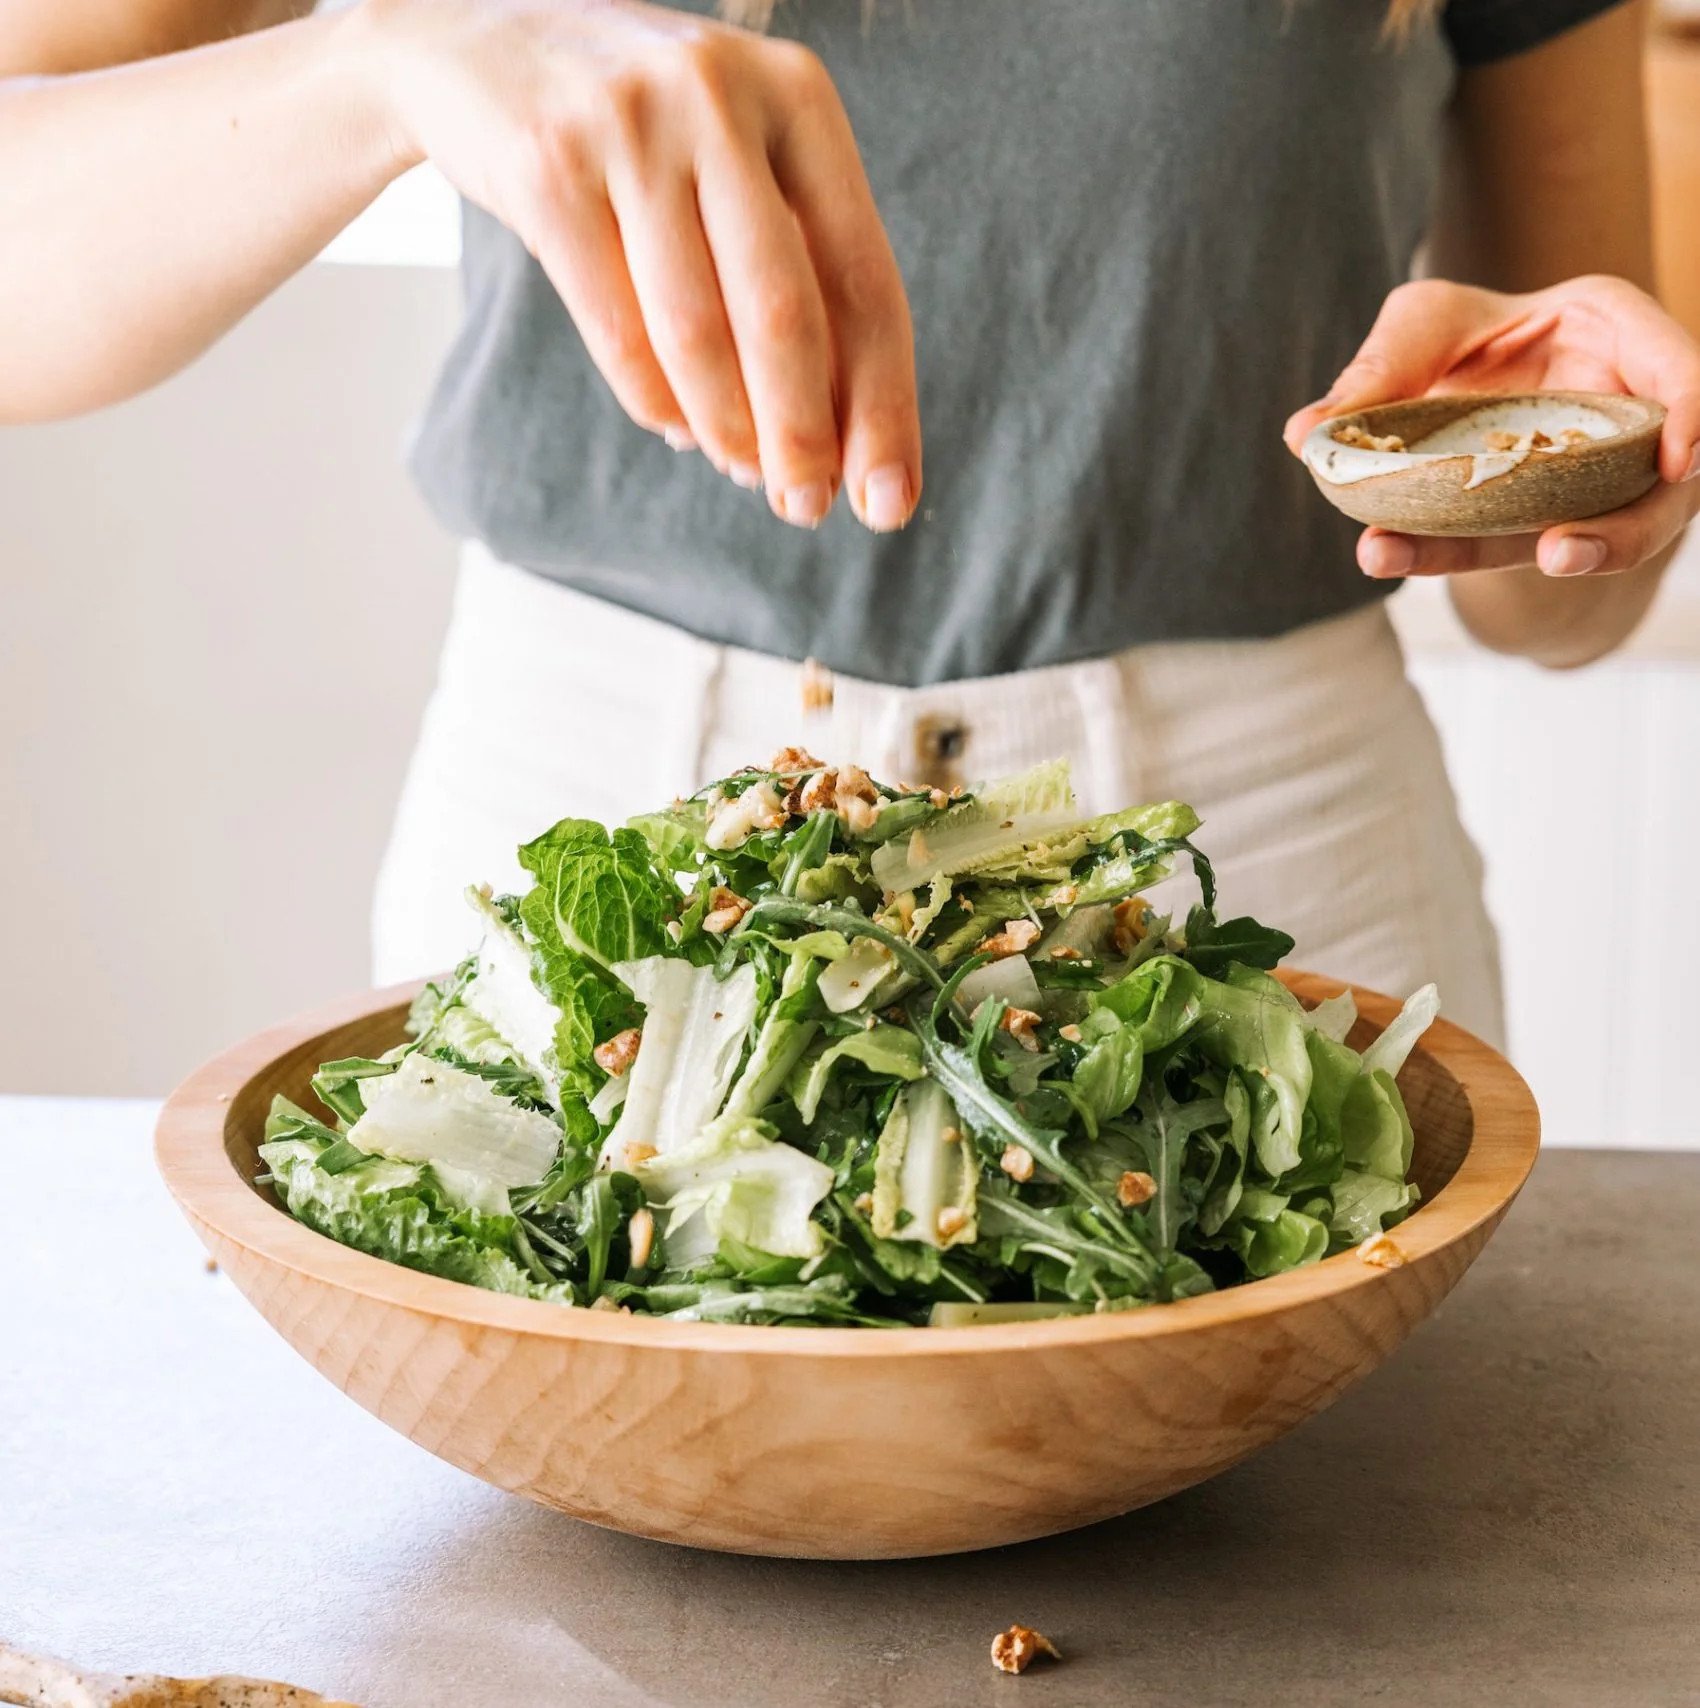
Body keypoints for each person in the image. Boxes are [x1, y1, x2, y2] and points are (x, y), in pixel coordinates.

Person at [5, 0, 1698, 1045]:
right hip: (591, 857)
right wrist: (379, 65)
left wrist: (1593, 470)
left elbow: (1560, 610)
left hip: (1271, 894)